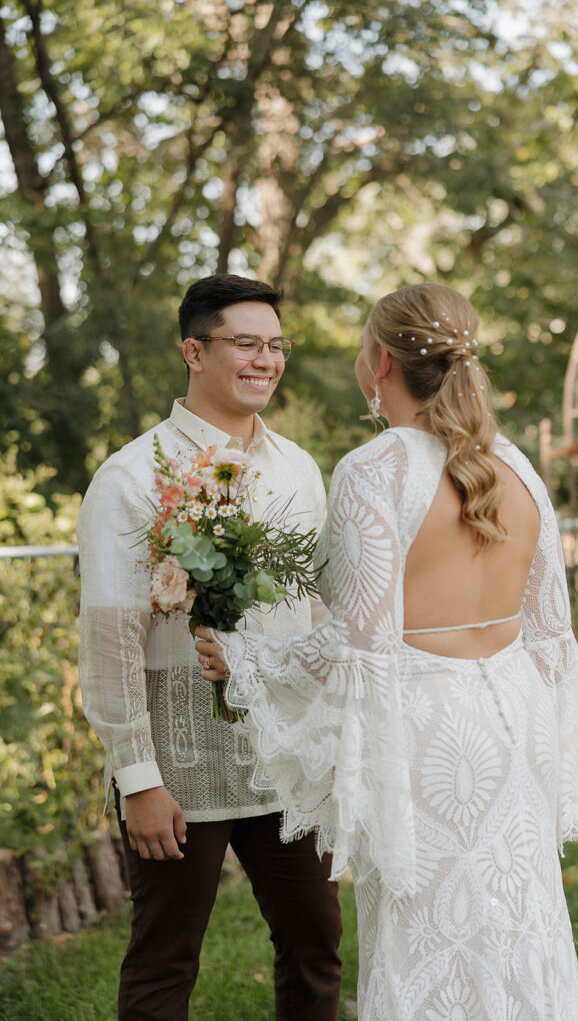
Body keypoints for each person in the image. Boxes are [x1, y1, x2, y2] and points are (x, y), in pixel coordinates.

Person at [196, 282, 578, 1021]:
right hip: (509, 730)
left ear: (380, 363)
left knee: (424, 932)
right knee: (517, 921)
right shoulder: (517, 470)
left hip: (425, 737)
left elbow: (357, 643)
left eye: (362, 347)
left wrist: (248, 660)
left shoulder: (374, 471)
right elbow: (551, 632)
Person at [77, 274, 342, 1021]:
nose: (266, 360)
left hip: (288, 751)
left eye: (276, 346)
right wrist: (139, 779)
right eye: (246, 344)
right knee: (166, 958)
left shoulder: (298, 469)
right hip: (180, 761)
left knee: (316, 944)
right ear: (194, 351)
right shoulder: (132, 477)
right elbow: (109, 641)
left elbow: (316, 608)